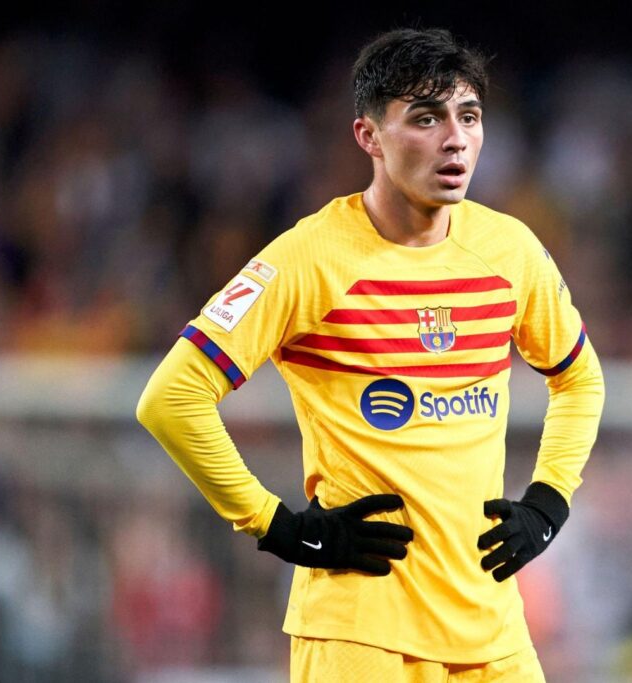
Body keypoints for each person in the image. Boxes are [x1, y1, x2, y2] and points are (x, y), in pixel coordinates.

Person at [137, 27, 604, 682]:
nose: (455, 138)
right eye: (425, 117)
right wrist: (276, 525)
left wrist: (550, 500)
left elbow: (580, 378)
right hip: (359, 638)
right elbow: (171, 398)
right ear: (368, 136)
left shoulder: (511, 251)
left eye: (468, 116)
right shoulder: (308, 259)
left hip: (493, 633)